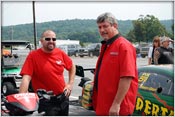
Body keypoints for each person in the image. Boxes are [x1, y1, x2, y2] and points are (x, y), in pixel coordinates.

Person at [19, 30, 76, 116]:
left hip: (63, 99)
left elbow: (72, 66)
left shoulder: (60, 53)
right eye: (48, 39)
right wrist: (22, 99)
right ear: (41, 41)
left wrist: (70, 84)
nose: (51, 41)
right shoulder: (33, 56)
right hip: (45, 101)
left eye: (54, 39)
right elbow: (26, 78)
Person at [92, 12, 138, 116]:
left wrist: (116, 104)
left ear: (115, 26)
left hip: (118, 109)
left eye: (105, 26)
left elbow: (127, 77)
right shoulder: (107, 46)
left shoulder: (123, 46)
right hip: (104, 106)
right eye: (99, 27)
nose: (102, 30)